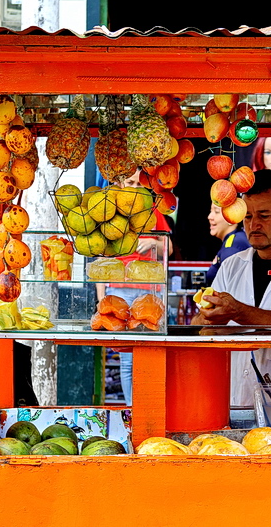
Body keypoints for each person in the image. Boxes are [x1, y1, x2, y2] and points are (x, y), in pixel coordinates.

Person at [192, 169, 271, 410]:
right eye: (247, 217)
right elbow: (201, 327)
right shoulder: (231, 266)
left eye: (264, 215)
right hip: (234, 401)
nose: (254, 224)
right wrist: (209, 318)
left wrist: (238, 312)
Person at [97, 168, 173, 405]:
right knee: (127, 357)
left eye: (139, 184)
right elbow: (101, 262)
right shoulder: (111, 214)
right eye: (129, 182)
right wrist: (101, 300)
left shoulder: (151, 211)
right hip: (119, 291)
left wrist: (153, 242)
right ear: (118, 182)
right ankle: (133, 408)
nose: (134, 188)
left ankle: (149, 405)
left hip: (150, 290)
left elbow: (167, 249)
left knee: (151, 351)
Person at [206, 203, 250, 286]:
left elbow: (231, 286)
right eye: (210, 211)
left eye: (216, 212)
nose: (210, 217)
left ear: (231, 217)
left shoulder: (233, 245)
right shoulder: (234, 239)